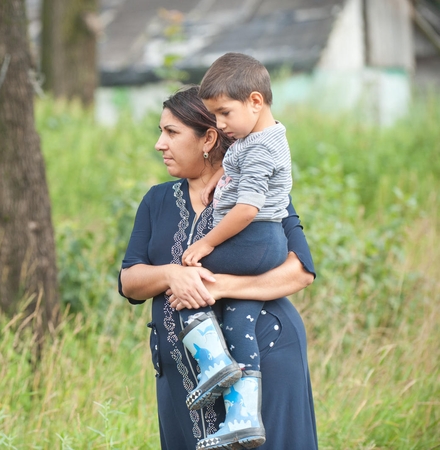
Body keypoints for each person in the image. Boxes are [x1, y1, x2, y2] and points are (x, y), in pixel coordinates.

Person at [118, 85, 318, 450]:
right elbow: (129, 280)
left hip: (266, 360)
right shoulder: (156, 201)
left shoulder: (259, 190)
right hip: (181, 372)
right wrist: (171, 274)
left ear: (208, 137)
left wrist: (222, 286)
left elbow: (300, 270)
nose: (159, 144)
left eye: (171, 132)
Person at [171, 53, 293, 448]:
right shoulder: (260, 139)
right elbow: (240, 169)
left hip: (253, 238)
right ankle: (242, 417)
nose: (220, 126)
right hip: (263, 242)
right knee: (239, 322)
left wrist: (205, 243)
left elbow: (246, 209)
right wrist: (219, 179)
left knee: (188, 281)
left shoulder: (258, 147)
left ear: (255, 101)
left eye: (224, 114)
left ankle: (215, 366)